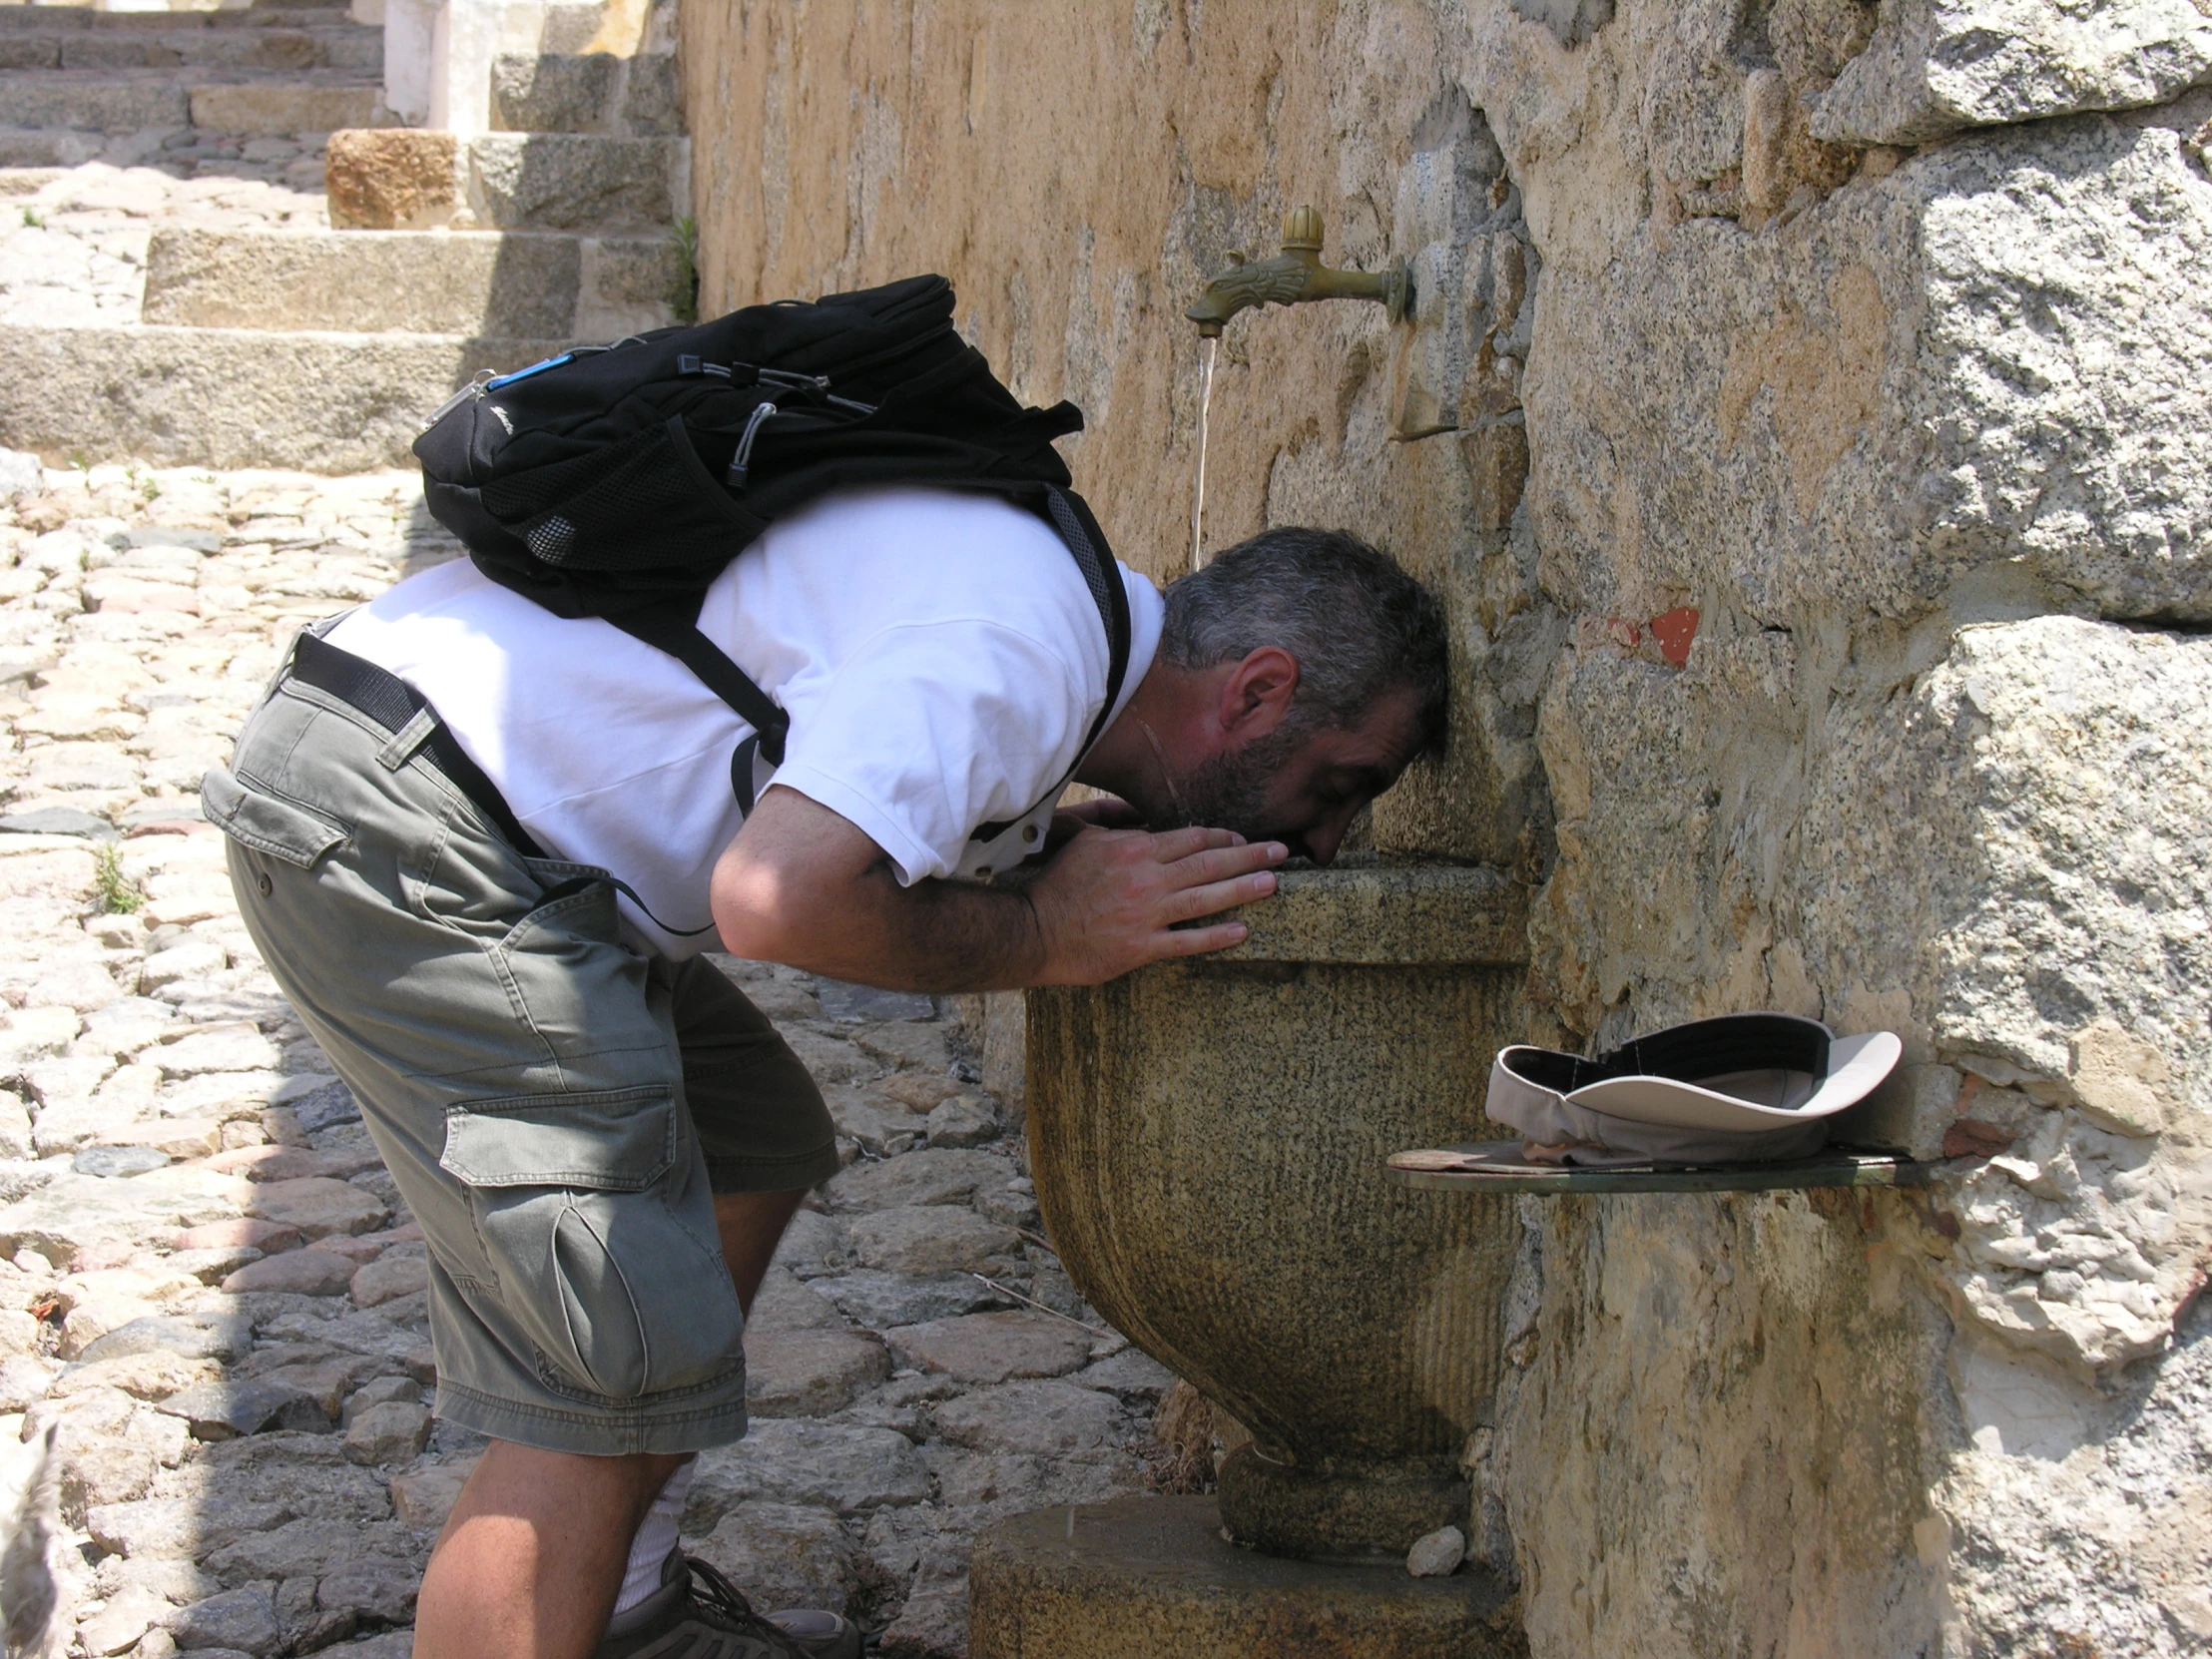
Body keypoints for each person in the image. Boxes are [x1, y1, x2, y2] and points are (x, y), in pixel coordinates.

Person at [206, 485, 1447, 1659]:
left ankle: (624, 1607)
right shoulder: (1025, 650)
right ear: (1259, 691)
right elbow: (775, 898)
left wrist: (1045, 854)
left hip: (440, 780)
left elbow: (852, 769)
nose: (1325, 838)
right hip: (412, 826)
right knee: (604, 1373)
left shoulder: (1060, 612)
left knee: (749, 1139)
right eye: (1337, 786)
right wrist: (1042, 936)